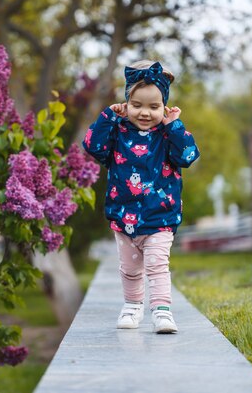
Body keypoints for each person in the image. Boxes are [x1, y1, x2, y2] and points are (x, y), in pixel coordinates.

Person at [82, 60, 200, 333]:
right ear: (126, 104)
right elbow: (92, 146)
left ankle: (162, 312)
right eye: (137, 105)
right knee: (130, 269)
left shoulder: (168, 134)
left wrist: (175, 127)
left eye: (154, 106)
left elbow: (188, 156)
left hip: (160, 216)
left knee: (158, 265)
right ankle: (132, 307)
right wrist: (108, 117)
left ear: (165, 107)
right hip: (124, 216)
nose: (145, 112)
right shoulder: (117, 132)